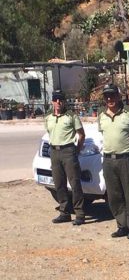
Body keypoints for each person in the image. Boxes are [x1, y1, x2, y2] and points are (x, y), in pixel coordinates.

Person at [99, 83, 129, 239]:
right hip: (108, 160)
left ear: (119, 96)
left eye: (112, 95)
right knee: (114, 195)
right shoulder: (101, 115)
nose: (110, 98)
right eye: (107, 96)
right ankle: (122, 224)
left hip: (126, 159)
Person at [45, 89, 86, 225]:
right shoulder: (48, 117)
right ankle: (64, 212)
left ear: (64, 101)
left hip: (68, 150)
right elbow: (50, 133)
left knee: (75, 183)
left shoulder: (71, 116)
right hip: (54, 151)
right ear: (52, 101)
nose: (58, 102)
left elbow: (81, 134)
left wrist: (77, 150)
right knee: (59, 184)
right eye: (56, 99)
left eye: (60, 99)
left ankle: (79, 213)